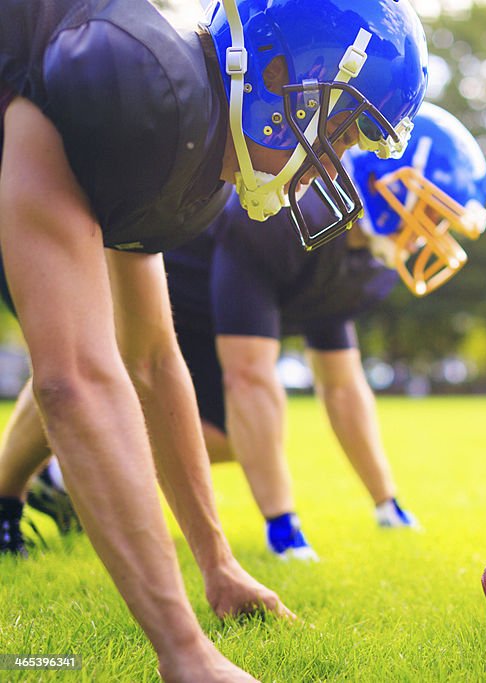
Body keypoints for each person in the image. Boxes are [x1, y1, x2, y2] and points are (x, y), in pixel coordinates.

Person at [0, 0, 426, 679]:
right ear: (284, 79)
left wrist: (217, 564)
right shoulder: (142, 84)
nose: (332, 166)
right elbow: (72, 377)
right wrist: (184, 649)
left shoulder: (191, 145)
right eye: (341, 135)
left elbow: (150, 357)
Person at [165, 102, 486, 559]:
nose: (428, 233)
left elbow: (342, 385)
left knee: (227, 437)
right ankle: (51, 475)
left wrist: (386, 503)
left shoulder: (368, 262)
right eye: (431, 215)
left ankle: (76, 473)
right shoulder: (291, 215)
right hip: (169, 293)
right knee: (101, 388)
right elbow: (249, 376)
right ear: (382, 180)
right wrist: (284, 527)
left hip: (217, 317)